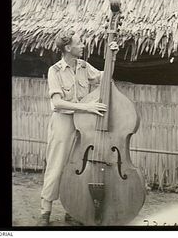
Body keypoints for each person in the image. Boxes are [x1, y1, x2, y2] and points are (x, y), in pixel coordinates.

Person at [38, 29, 119, 226]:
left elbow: (105, 77)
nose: (83, 45)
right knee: (56, 165)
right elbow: (57, 103)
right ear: (68, 48)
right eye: (79, 43)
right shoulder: (54, 71)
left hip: (83, 123)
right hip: (63, 122)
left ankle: (72, 209)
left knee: (78, 167)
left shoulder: (84, 66)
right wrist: (87, 106)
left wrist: (112, 56)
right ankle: (45, 212)